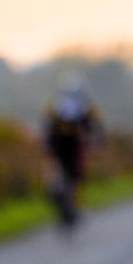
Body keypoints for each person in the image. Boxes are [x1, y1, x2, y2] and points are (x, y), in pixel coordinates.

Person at [42, 74, 102, 227]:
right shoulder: (58, 109)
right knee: (70, 179)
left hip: (69, 148)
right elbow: (48, 130)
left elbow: (94, 130)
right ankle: (69, 207)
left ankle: (72, 207)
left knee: (73, 178)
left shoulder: (57, 107)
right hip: (66, 148)